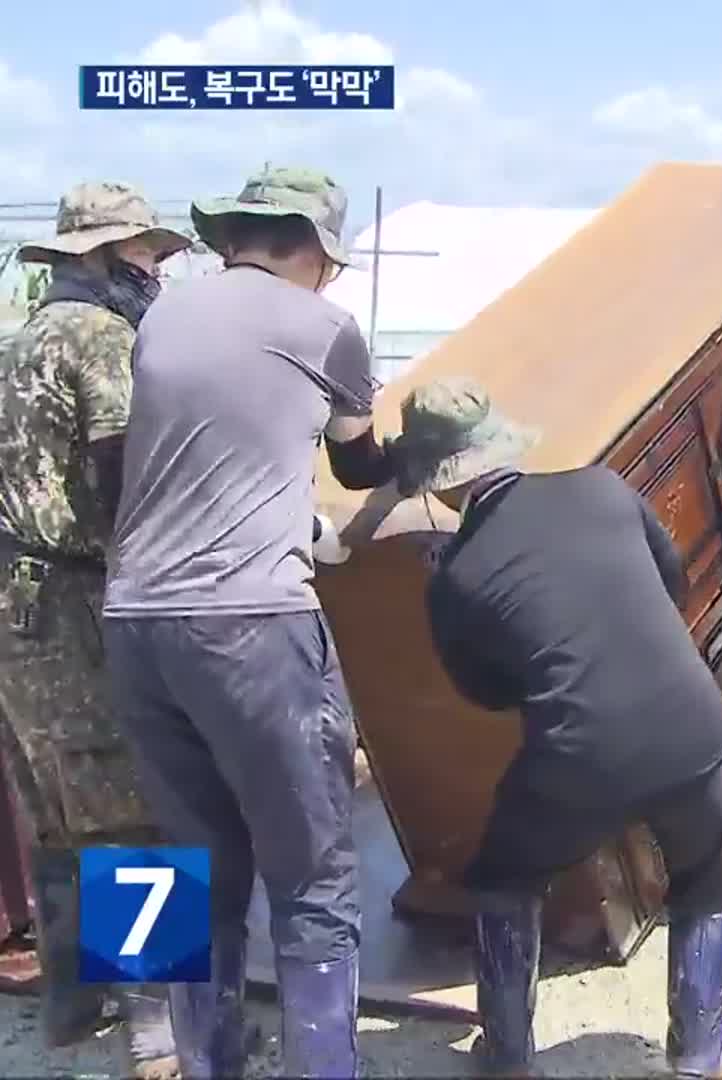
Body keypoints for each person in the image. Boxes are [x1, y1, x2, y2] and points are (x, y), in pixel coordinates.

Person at [101, 167, 397, 1079]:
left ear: (233, 238)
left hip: (134, 616)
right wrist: (414, 457)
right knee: (312, 869)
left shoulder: (163, 313)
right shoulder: (326, 327)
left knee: (176, 861)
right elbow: (356, 467)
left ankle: (191, 1058)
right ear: (312, 250)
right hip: (251, 620)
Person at [384, 377, 722, 1078]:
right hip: (696, 727)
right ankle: (700, 1056)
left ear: (440, 483)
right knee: (704, 881)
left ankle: (509, 1057)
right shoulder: (603, 489)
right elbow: (670, 586)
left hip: (582, 752)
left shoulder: (456, 574)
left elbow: (484, 694)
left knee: (503, 879)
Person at [0, 181, 187, 1078]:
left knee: (49, 802)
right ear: (107, 255)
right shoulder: (102, 337)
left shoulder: (22, 338)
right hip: (77, 595)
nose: (155, 272)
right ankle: (156, 1024)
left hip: (13, 599)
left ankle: (71, 1006)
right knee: (129, 802)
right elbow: (123, 472)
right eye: (147, 255)